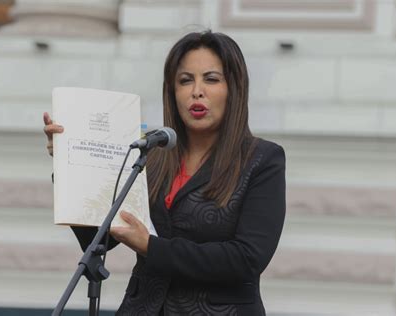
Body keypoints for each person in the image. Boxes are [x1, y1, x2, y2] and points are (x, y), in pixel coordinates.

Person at [43, 30, 285, 316]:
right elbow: (100, 239)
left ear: (234, 88)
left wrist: (151, 247)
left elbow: (246, 259)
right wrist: (68, 162)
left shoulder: (262, 159)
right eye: (185, 80)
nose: (197, 91)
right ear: (172, 92)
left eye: (211, 79)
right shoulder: (152, 153)